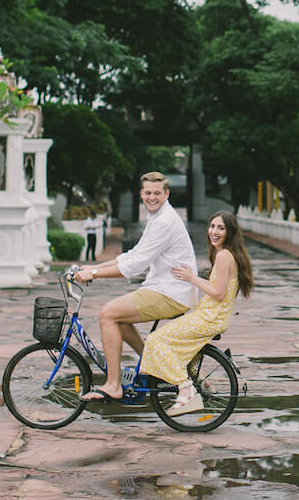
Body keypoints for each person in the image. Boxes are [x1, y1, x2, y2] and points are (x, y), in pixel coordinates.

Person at [73, 172, 197, 402]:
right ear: (141, 194)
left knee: (108, 313)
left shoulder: (164, 221)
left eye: (157, 193)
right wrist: (93, 267)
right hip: (165, 288)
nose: (152, 197)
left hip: (170, 291)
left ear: (166, 194)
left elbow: (136, 266)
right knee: (119, 319)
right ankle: (158, 364)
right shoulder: (157, 217)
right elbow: (133, 254)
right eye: (148, 192)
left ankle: (113, 385)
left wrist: (96, 274)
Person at [139, 210, 255, 416]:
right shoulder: (228, 254)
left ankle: (186, 388)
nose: (214, 231)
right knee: (177, 346)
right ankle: (201, 382)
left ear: (230, 232)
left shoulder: (223, 256)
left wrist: (191, 278)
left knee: (155, 341)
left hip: (210, 318)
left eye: (221, 228)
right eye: (212, 226)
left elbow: (218, 293)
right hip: (212, 316)